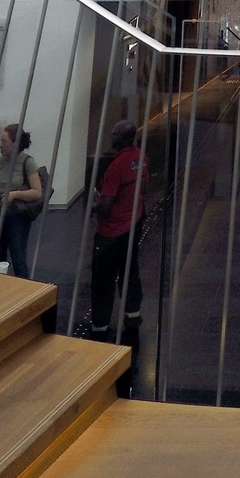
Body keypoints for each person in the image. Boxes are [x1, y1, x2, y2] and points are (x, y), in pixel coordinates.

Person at [87, 118, 147, 337]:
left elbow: (106, 204)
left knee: (103, 279)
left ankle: (100, 324)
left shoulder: (116, 167)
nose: (111, 137)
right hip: (133, 224)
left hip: (111, 233)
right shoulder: (141, 158)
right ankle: (133, 313)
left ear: (123, 138)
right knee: (130, 271)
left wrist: (93, 205)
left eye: (114, 134)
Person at [0, 121, 43, 279]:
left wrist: (14, 194)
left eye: (4, 141)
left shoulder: (27, 163)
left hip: (17, 216)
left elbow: (37, 192)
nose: (0, 145)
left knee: (18, 258)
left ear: (15, 143)